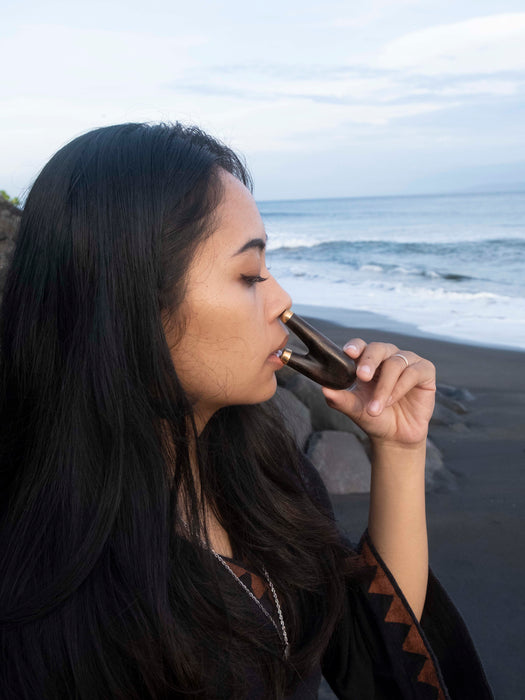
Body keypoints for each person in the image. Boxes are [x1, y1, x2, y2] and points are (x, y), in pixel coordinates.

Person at [0, 123, 492, 699]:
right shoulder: (46, 586)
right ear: (131, 303)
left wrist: (400, 449)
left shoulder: (263, 470)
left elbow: (374, 656)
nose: (282, 300)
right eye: (249, 274)